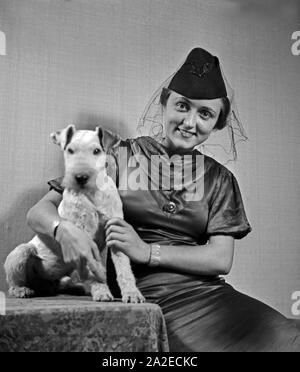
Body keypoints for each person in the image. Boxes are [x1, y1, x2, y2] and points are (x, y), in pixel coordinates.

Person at [27, 48, 300, 352]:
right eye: (182, 106)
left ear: (217, 123)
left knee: (290, 338)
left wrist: (147, 251)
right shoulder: (120, 156)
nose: (190, 122)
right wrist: (63, 230)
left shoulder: (219, 178)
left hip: (212, 299)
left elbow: (220, 259)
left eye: (205, 114)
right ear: (164, 102)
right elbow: (40, 211)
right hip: (148, 303)